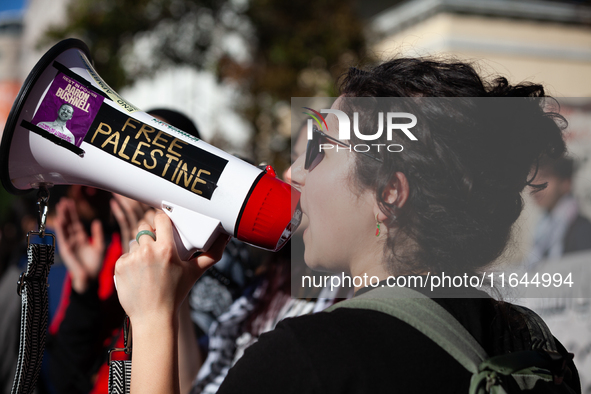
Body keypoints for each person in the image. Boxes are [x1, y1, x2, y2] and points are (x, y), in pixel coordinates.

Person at [114, 58, 580, 393]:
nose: (294, 172)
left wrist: (153, 318)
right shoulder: (528, 342)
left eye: (318, 150)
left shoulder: (303, 362)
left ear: (389, 195)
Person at [524, 155, 591, 271]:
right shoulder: (542, 227)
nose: (534, 185)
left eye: (544, 176)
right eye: (532, 177)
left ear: (566, 183)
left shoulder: (582, 229)